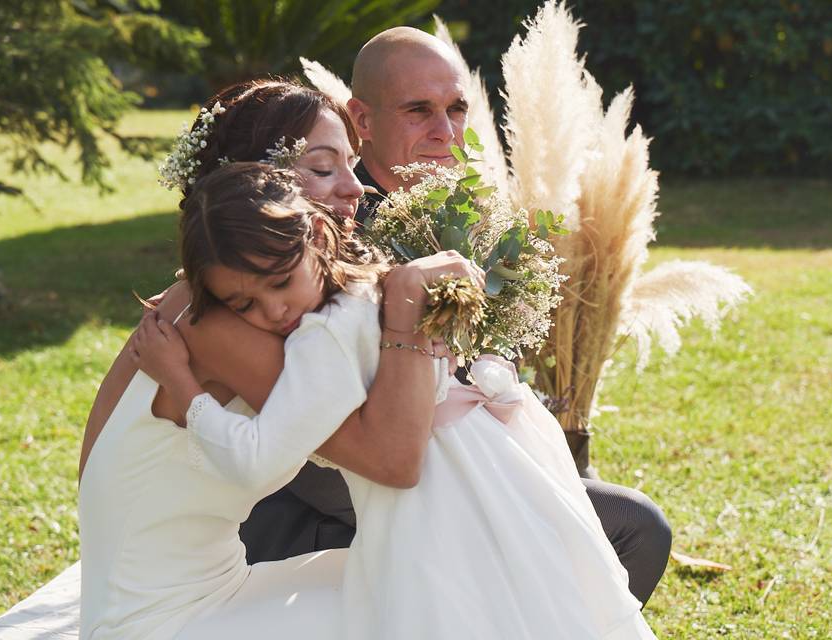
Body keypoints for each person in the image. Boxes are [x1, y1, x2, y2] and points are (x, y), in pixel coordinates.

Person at [132, 161, 657, 639]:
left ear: (317, 234)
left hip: (429, 507)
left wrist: (182, 385)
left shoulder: (322, 338)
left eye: (279, 283)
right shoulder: (370, 289)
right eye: (243, 303)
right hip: (487, 469)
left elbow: (253, 461)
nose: (273, 312)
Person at [78, 81, 481, 638]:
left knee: (450, 577)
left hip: (220, 581)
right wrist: (408, 296)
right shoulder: (221, 325)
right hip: (160, 620)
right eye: (321, 168)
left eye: (350, 163)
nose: (354, 187)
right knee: (445, 597)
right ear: (254, 185)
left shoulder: (240, 301)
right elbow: (394, 462)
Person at [348, 25, 671, 604]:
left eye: (455, 108)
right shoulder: (339, 226)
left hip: (473, 456)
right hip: (382, 483)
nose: (445, 132)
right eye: (418, 111)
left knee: (628, 525)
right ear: (362, 121)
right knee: (634, 530)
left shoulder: (470, 213)